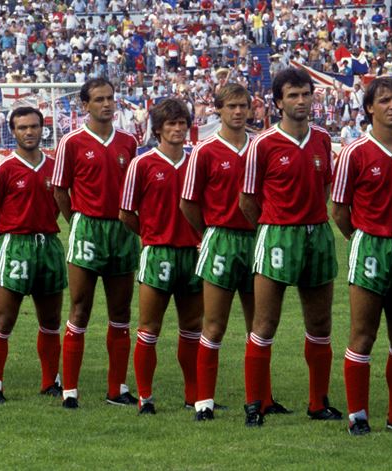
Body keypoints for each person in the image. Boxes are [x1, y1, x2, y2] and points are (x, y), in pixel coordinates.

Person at [239, 68, 342, 427]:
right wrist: (272, 227)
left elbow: (327, 188)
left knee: (320, 323)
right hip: (277, 236)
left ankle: (318, 402)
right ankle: (255, 403)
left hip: (317, 235)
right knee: (264, 323)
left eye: (306, 94)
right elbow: (247, 201)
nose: (301, 101)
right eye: (293, 95)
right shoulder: (262, 144)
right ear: (278, 102)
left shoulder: (323, 140)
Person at [332, 77, 392, 435]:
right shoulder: (354, 153)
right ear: (369, 108)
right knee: (363, 334)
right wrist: (360, 239)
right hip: (370, 245)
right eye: (385, 100)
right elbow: (339, 209)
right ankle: (357, 416)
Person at [52, 78, 140, 409]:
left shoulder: (129, 142)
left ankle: (117, 388)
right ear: (84, 106)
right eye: (99, 99)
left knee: (120, 312)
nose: (107, 104)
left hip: (121, 231)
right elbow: (60, 189)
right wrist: (76, 222)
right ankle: (70, 390)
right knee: (80, 308)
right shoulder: (71, 142)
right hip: (87, 229)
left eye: (110, 98)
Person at [119, 98, 202, 415]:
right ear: (158, 129)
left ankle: (193, 395)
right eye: (171, 124)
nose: (178, 129)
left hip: (192, 255)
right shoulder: (142, 164)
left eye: (182, 123)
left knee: (192, 327)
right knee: (149, 328)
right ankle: (145, 397)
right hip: (158, 254)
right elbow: (126, 213)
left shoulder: (196, 161)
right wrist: (152, 236)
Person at [180, 84, 257, 421]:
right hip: (221, 239)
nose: (238, 112)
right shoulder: (205, 150)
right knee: (213, 324)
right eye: (231, 106)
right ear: (218, 110)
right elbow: (188, 203)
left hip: (257, 240)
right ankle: (203, 401)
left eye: (243, 106)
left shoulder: (259, 147)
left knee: (260, 325)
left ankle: (261, 399)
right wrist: (210, 230)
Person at [0, 107, 65, 404]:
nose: (29, 132)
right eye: (22, 127)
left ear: (43, 129)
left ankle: (49, 382)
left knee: (51, 320)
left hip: (49, 245)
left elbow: (59, 206)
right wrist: (6, 237)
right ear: (13, 131)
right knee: (4, 319)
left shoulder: (55, 167)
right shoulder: (3, 168)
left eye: (34, 126)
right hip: (15, 245)